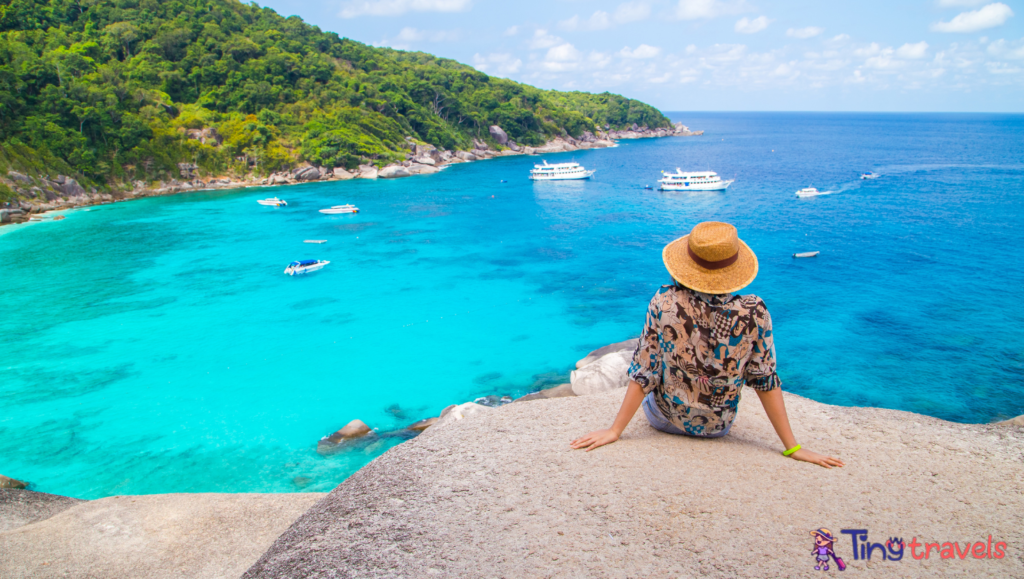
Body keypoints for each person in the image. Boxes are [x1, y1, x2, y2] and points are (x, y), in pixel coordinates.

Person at [570, 221, 844, 469]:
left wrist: (615, 430)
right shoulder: (755, 311)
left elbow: (645, 370)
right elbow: (764, 379)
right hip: (719, 426)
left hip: (665, 420)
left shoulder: (664, 301)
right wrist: (792, 447)